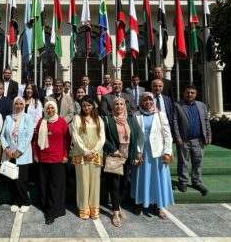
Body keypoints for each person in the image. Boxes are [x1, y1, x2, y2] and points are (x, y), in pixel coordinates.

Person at [131, 92, 174, 220]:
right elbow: (136, 135)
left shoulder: (160, 115)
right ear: (141, 102)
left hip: (157, 153)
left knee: (157, 179)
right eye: (145, 100)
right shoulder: (136, 115)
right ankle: (140, 203)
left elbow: (167, 135)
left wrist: (167, 152)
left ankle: (158, 205)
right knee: (141, 178)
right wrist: (137, 151)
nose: (148, 102)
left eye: (150, 100)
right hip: (143, 152)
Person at [33, 101, 71, 225]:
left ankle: (52, 212)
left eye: (52, 108)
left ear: (55, 109)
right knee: (44, 185)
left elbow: (67, 140)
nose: (50, 110)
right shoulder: (41, 122)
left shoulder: (61, 122)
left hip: (58, 159)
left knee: (56, 186)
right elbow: (35, 140)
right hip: (43, 158)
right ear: (45, 109)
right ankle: (46, 207)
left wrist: (65, 155)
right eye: (47, 108)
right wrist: (35, 154)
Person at [103, 97, 139, 227]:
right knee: (115, 184)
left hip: (127, 155)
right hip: (116, 155)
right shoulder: (108, 119)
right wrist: (113, 150)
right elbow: (105, 138)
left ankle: (118, 205)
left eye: (121, 104)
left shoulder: (130, 119)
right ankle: (115, 212)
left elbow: (134, 138)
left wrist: (134, 155)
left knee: (124, 184)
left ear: (125, 106)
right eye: (116, 104)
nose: (119, 106)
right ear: (113, 106)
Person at [173, 85, 212, 196]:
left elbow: (206, 121)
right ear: (183, 94)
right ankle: (183, 182)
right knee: (183, 162)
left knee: (198, 162)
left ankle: (197, 182)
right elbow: (175, 122)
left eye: (192, 93)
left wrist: (209, 135)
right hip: (184, 140)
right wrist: (177, 137)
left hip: (198, 140)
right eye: (187, 92)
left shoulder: (202, 106)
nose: (189, 94)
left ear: (196, 94)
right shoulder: (177, 105)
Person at [71, 96, 105, 220]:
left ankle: (94, 209)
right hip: (81, 154)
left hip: (96, 155)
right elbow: (75, 137)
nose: (86, 108)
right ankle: (83, 209)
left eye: (89, 105)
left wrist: (94, 151)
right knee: (83, 183)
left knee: (95, 183)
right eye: (84, 105)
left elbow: (102, 137)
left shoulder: (98, 119)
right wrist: (85, 151)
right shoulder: (77, 118)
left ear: (93, 106)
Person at [0, 97, 34, 213]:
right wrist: (6, 148)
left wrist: (19, 151)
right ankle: (15, 201)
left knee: (22, 180)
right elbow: (2, 135)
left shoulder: (28, 118)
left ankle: (25, 201)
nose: (18, 106)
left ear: (24, 105)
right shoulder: (8, 118)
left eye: (21, 104)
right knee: (12, 179)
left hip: (22, 154)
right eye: (16, 104)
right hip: (10, 154)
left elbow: (29, 135)